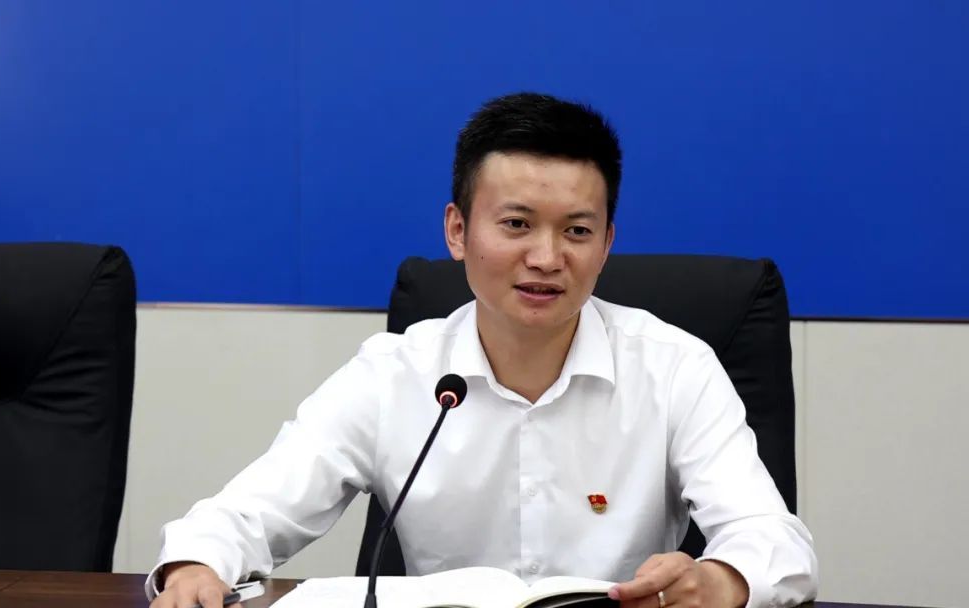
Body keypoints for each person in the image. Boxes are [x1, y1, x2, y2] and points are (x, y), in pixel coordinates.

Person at [147, 92, 818, 608]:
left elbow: (775, 539)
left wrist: (721, 579)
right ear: (458, 230)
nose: (546, 258)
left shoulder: (675, 369)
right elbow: (247, 512)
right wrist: (197, 565)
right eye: (517, 224)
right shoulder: (394, 375)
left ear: (607, 243)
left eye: (577, 231)